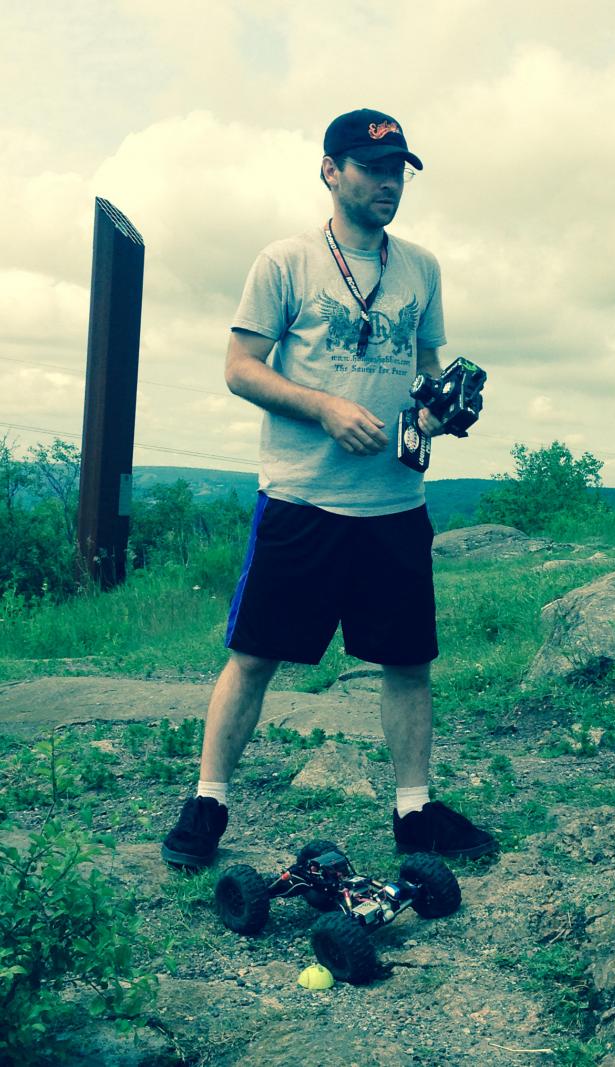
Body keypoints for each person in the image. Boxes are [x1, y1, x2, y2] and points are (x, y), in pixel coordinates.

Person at [161, 108, 497, 869]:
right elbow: (239, 368)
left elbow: (422, 366)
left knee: (408, 662)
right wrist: (325, 408)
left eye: (399, 171)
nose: (389, 184)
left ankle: (416, 811)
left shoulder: (422, 267)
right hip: (302, 500)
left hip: (394, 505)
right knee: (254, 655)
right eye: (373, 168)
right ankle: (206, 803)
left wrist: (441, 407)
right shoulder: (285, 262)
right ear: (331, 171)